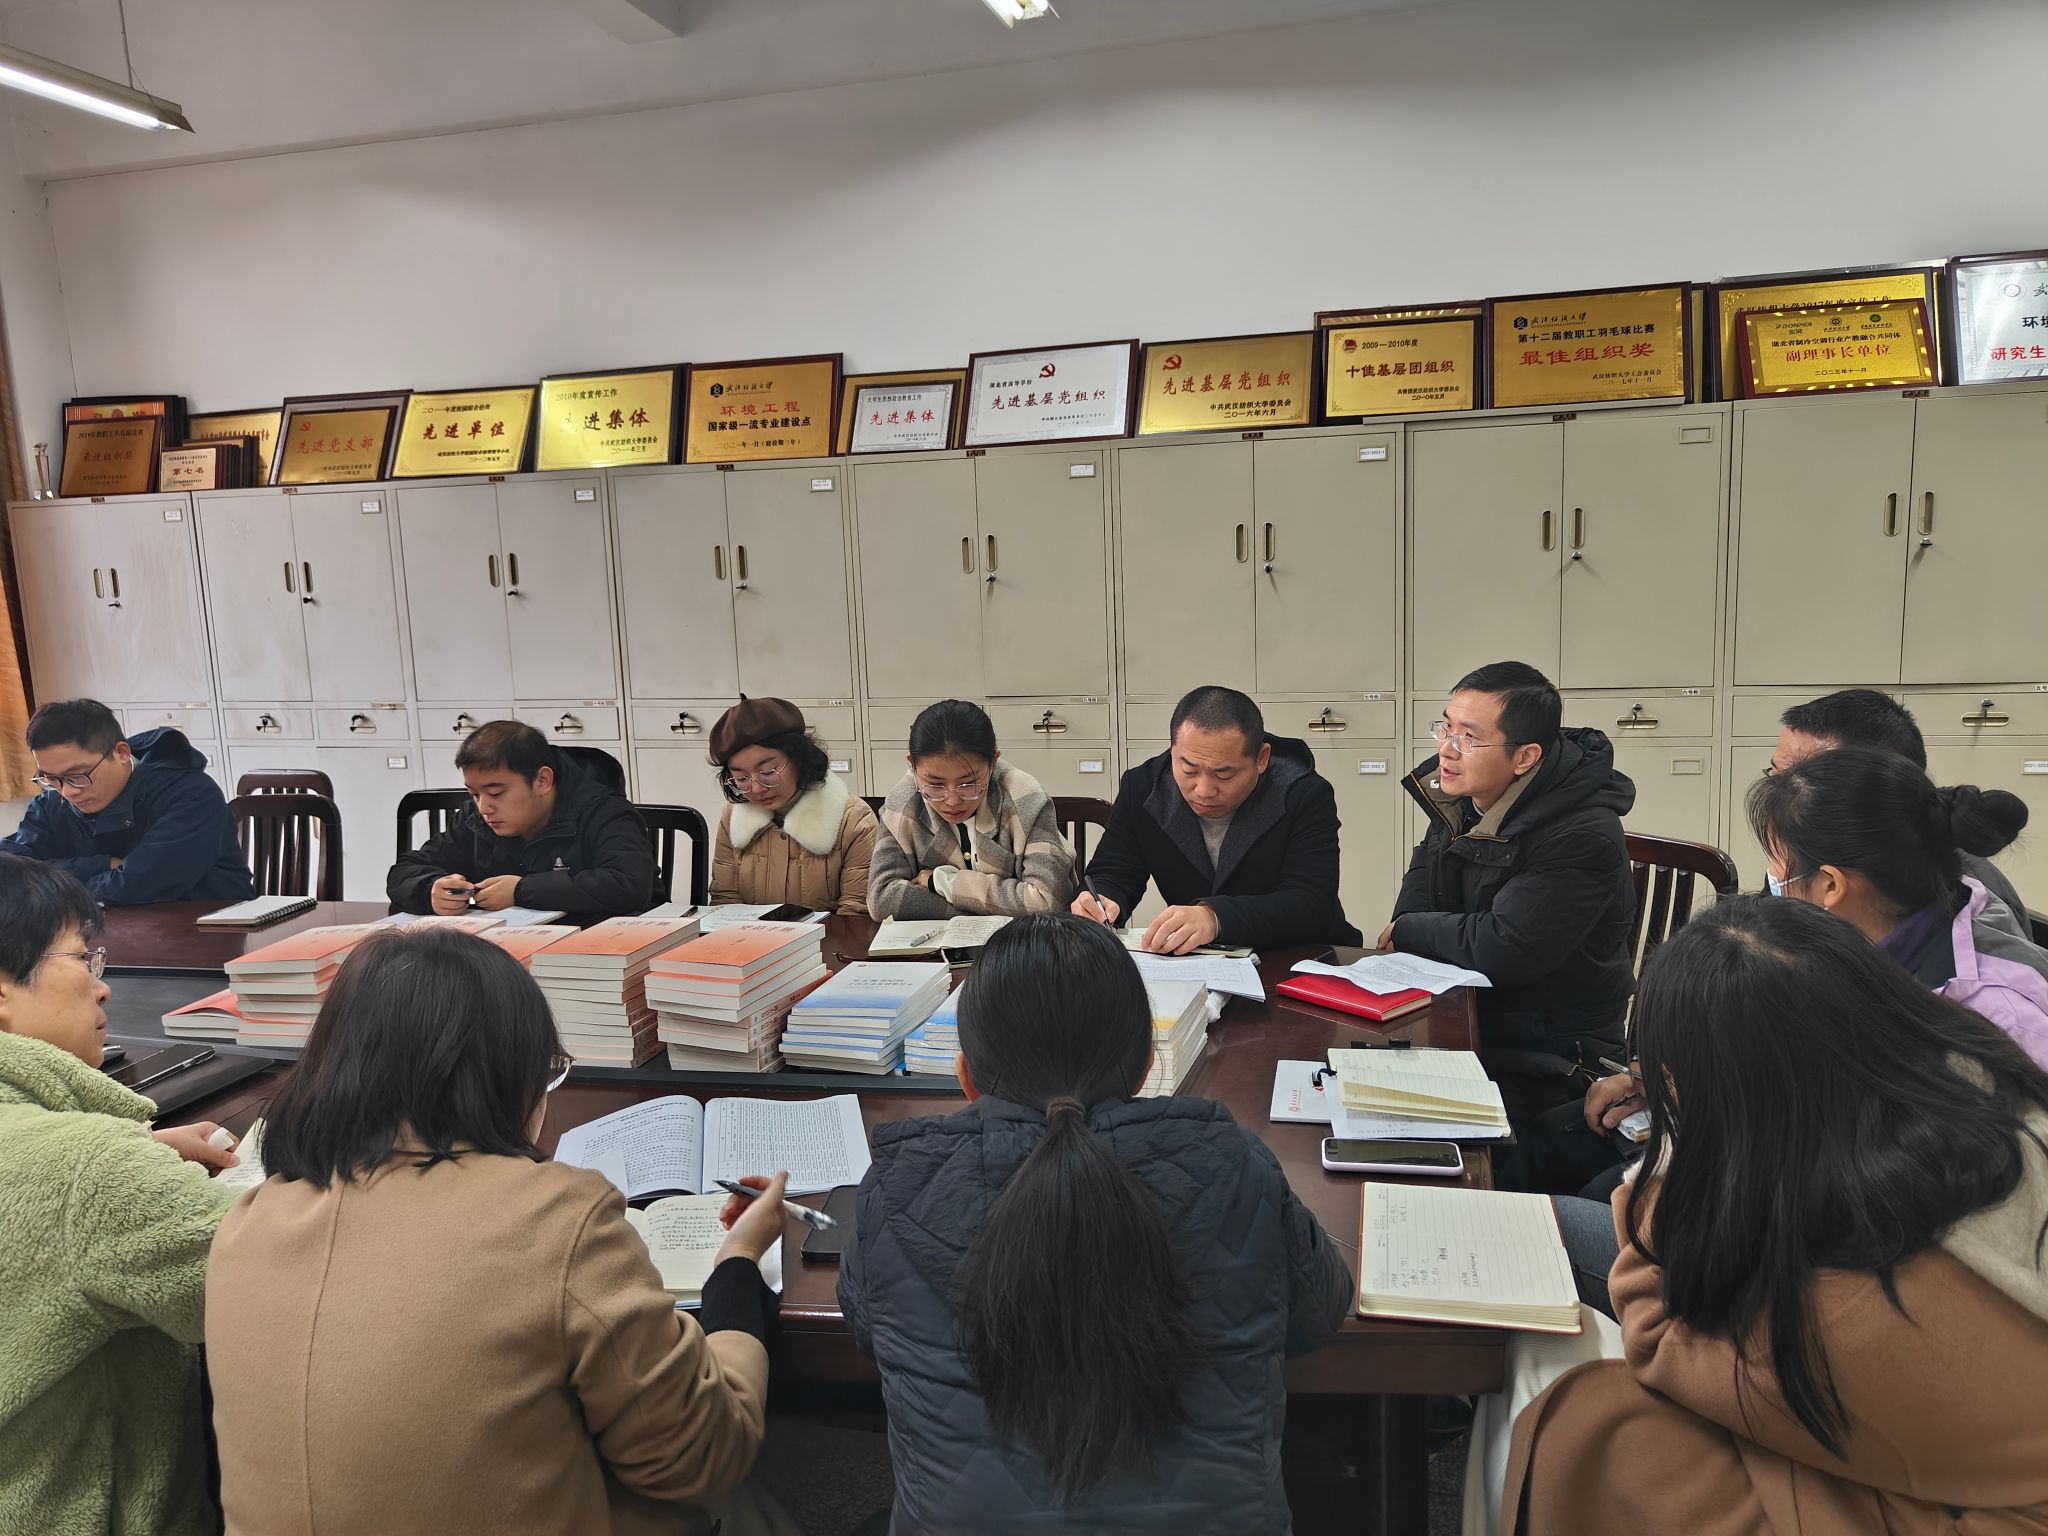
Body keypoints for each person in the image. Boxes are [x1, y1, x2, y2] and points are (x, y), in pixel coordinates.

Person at [206, 928, 787, 1535]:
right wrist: (738, 1266)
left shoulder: (248, 1222)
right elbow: (701, 1454)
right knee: (742, 1506)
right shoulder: (556, 1218)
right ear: (504, 1076)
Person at [1498, 896, 2048, 1536]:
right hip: (1943, 1461)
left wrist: (1680, 1153)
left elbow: (1658, 1332)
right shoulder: (1974, 1092)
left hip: (1945, 1505)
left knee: (1584, 1421)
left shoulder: (1854, 1301)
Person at [839, 915, 1352, 1533]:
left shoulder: (895, 1191)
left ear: (966, 1076)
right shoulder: (1236, 1165)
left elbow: (868, 1328)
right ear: (1145, 1069)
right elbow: (1319, 1310)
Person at [0, 855, 243, 1536]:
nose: (103, 989)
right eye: (84, 959)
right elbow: (299, 1280)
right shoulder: (89, 1173)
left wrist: (135, 1151)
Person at [1384, 661, 1635, 1093]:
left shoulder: (1582, 834)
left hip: (1549, 1052)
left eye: (1468, 738)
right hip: (1469, 1013)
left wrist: (1409, 930)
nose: (1447, 750)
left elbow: (1504, 947)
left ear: (1524, 757)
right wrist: (1410, 923)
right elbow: (1421, 886)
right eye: (1445, 728)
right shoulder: (1462, 798)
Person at [1746, 746, 2048, 1067]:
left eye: (1776, 861)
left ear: (1831, 885)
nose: (1772, 877)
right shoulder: (1885, 931)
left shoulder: (2004, 1026)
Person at [1074, 685, 1360, 952]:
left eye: (1224, 774)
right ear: (1173, 752)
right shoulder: (1143, 788)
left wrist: (1216, 918)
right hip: (1203, 963)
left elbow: (1310, 903)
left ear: (1262, 759)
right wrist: (1101, 902)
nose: (1204, 790)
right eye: (1188, 769)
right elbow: (1113, 872)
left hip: (1298, 959)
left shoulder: (1302, 794)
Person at [1770, 687, 2029, 920]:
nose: (1782, 798)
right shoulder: (1805, 849)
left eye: (1798, 785)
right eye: (1776, 776)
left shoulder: (1969, 913)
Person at [387, 719, 655, 919]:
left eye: (496, 793)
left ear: (542, 780)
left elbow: (628, 884)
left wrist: (521, 891)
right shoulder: (474, 818)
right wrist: (429, 889)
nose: (484, 807)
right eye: (474, 794)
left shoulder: (604, 812)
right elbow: (404, 871)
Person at [0, 697, 253, 904]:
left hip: (209, 935)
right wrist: (101, 864)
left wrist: (47, 884)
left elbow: (138, 885)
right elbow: (8, 872)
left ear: (121, 753)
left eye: (78, 776)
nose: (67, 792)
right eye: (51, 778)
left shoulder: (191, 795)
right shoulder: (50, 804)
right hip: (102, 936)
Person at [868, 699, 1075, 919]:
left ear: (993, 762)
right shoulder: (902, 803)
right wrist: (991, 907)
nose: (952, 800)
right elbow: (882, 899)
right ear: (912, 765)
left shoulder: (1024, 797)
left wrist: (942, 882)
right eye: (935, 785)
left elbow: (1047, 901)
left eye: (969, 784)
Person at [707, 696, 876, 916]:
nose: (756, 789)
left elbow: (855, 914)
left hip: (829, 938)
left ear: (799, 758)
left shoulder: (853, 819)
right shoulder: (733, 815)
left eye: (768, 772)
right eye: (741, 779)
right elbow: (725, 902)